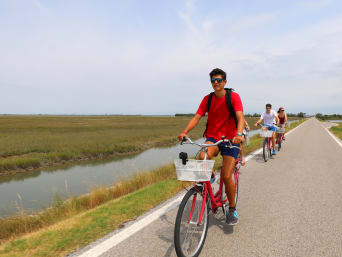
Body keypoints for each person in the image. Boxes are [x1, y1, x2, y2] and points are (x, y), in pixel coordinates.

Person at [178, 68, 245, 226]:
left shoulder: (233, 97)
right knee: (202, 157)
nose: (216, 83)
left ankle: (232, 209)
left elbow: (240, 116)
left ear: (225, 82)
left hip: (230, 140)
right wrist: (185, 131)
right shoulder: (207, 99)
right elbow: (197, 117)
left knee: (227, 176)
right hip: (213, 137)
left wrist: (239, 133)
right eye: (213, 80)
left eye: (219, 80)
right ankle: (209, 177)